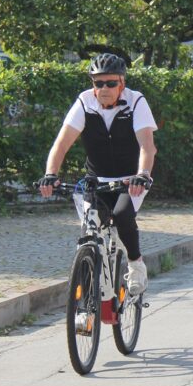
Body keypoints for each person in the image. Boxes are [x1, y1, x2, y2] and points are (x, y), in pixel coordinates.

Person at [37, 53, 158, 296]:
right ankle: (86, 299)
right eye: (98, 83)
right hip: (96, 180)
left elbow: (147, 145)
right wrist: (50, 173)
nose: (104, 89)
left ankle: (135, 264)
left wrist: (143, 174)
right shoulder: (85, 102)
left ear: (121, 83)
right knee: (90, 229)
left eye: (111, 83)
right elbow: (61, 144)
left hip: (129, 180)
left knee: (122, 215)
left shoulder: (136, 102)